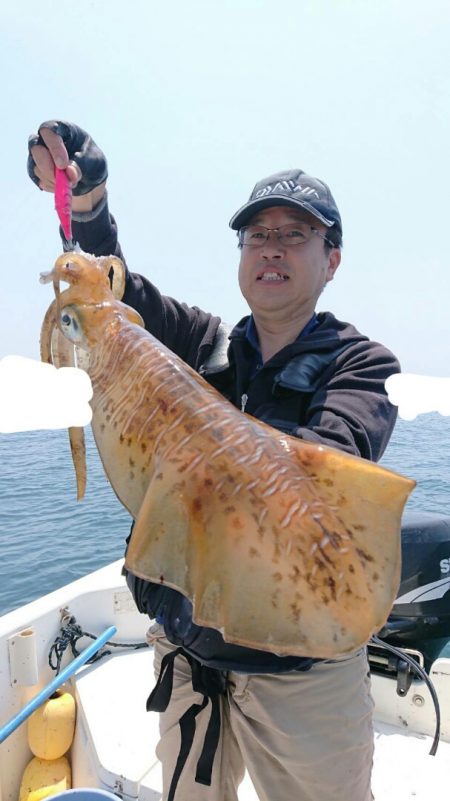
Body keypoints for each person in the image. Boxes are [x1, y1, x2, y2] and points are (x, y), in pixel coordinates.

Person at [28, 121, 400, 801]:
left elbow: (325, 474)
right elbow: (123, 300)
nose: (272, 249)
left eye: (295, 234)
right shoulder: (204, 343)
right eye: (258, 235)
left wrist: (185, 412)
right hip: (189, 656)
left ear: (332, 258)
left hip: (302, 679)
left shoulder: (360, 366)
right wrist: (87, 204)